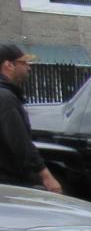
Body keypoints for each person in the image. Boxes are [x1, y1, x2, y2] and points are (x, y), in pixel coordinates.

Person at [0, 43, 62, 193]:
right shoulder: (5, 98)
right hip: (9, 182)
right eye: (24, 62)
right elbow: (20, 143)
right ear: (9, 65)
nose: (29, 67)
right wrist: (47, 177)